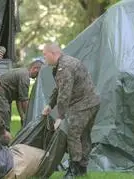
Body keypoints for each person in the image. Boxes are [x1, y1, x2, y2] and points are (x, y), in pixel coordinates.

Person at [41, 43, 100, 178]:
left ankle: (74, 169)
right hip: (92, 102)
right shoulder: (64, 63)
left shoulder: (64, 67)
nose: (44, 58)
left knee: (73, 134)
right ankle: (82, 169)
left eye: (45, 55)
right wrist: (50, 105)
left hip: (83, 105)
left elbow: (64, 94)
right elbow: (59, 88)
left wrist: (60, 117)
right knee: (83, 135)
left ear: (53, 53)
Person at [0, 60, 44, 132]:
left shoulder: (22, 72)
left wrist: (22, 116)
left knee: (5, 118)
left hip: (1, 95)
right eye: (38, 74)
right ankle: (3, 141)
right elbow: (24, 100)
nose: (37, 77)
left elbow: (19, 99)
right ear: (35, 68)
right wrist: (29, 117)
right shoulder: (25, 76)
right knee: (4, 120)